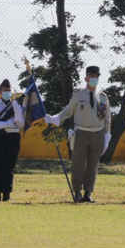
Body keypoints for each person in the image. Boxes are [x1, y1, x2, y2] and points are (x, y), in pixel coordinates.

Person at [45, 66, 111, 203]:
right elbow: (68, 111)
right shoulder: (79, 95)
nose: (94, 79)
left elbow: (107, 118)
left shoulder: (103, 97)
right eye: (91, 76)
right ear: (86, 78)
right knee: (78, 164)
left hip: (98, 133)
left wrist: (107, 136)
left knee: (93, 165)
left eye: (96, 76)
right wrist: (56, 118)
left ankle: (88, 193)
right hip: (81, 133)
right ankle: (77, 192)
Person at [0, 79, 24, 202]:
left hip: (12, 138)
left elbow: (20, 123)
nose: (7, 93)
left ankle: (7, 195)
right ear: (0, 92)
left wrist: (16, 109)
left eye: (9, 90)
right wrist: (5, 124)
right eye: (5, 90)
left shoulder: (15, 105)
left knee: (9, 166)